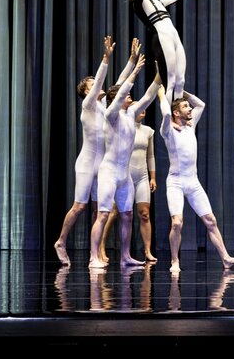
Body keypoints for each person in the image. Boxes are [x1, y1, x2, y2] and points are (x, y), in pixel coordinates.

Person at [156, 85, 234, 273]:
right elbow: (165, 115)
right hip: (176, 182)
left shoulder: (190, 125)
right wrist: (162, 93)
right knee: (177, 222)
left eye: (189, 107)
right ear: (176, 112)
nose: (190, 109)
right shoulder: (168, 131)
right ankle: (175, 261)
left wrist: (181, 90)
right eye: (186, 107)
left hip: (193, 182)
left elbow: (201, 104)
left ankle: (226, 258)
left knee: (211, 220)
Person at [89, 49, 160, 269]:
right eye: (127, 96)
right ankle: (94, 256)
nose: (130, 97)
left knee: (128, 215)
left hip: (124, 174)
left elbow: (148, 96)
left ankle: (125, 256)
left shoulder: (131, 114)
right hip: (109, 172)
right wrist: (135, 70)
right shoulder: (110, 115)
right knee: (102, 214)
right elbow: (120, 94)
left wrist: (161, 74)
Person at [53, 36, 117, 266]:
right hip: (87, 163)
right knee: (80, 206)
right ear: (86, 92)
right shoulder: (87, 106)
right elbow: (101, 82)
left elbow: (118, 89)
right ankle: (61, 241)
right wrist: (105, 59)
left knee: (102, 210)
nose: (98, 86)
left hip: (103, 164)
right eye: (92, 85)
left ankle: (96, 251)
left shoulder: (104, 107)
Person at [99, 109, 159, 263]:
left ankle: (147, 251)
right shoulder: (122, 127)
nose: (143, 110)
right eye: (138, 108)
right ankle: (101, 247)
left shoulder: (148, 131)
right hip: (124, 175)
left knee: (144, 214)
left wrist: (153, 177)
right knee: (113, 212)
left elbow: (150, 156)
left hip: (142, 176)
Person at [130, 0, 187, 102]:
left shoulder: (157, 0)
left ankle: (178, 116)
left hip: (174, 36)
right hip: (162, 38)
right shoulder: (139, 2)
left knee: (181, 80)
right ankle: (169, 121)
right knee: (171, 80)